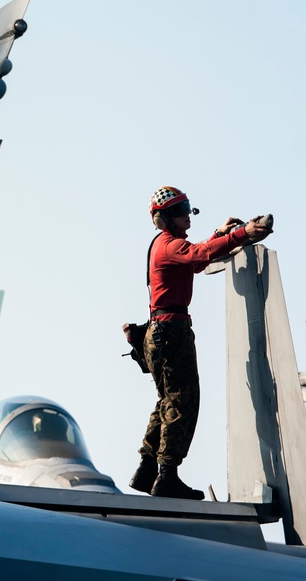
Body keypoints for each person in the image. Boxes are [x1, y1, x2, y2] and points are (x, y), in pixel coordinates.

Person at [129, 186, 271, 500]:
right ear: (166, 218)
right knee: (183, 402)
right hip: (171, 331)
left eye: (187, 208)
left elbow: (195, 260)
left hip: (161, 330)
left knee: (167, 401)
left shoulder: (164, 244)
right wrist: (242, 234)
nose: (186, 215)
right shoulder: (170, 245)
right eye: (181, 211)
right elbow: (200, 255)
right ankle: (166, 476)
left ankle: (147, 470)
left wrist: (220, 234)